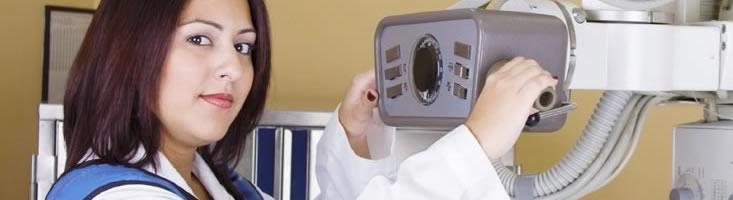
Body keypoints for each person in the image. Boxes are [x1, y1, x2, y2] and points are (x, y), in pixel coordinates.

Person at [44, 0, 555, 199]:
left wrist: (355, 135)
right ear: (132, 50)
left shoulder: (215, 184)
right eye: (200, 39)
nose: (233, 68)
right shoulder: (118, 197)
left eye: (244, 47)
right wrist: (473, 145)